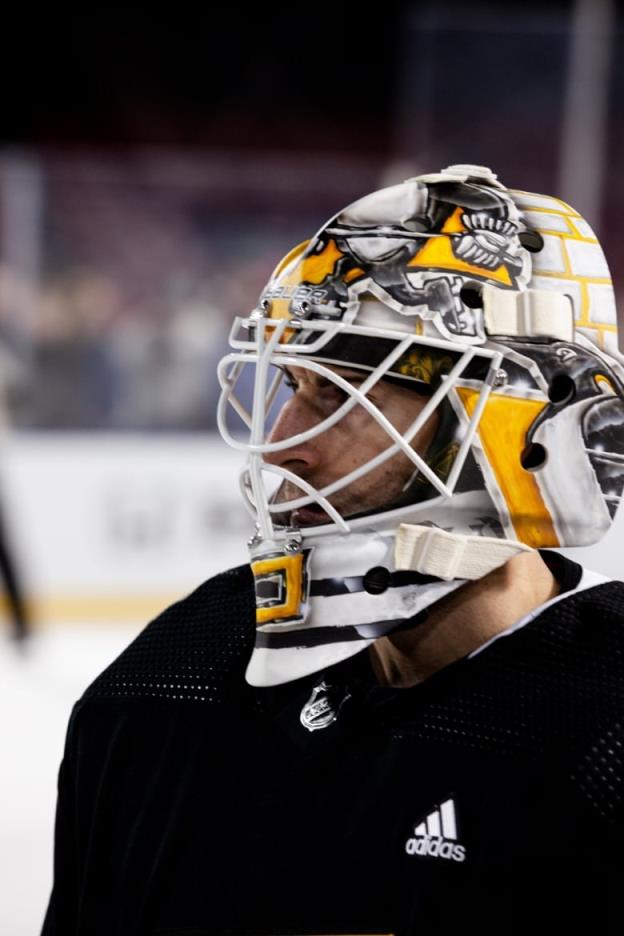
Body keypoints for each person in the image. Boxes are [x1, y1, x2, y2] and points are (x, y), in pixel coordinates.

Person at [42, 164, 624, 934]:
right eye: (292, 386)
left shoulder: (603, 743)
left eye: (344, 393)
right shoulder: (165, 691)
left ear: (519, 429)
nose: (283, 445)